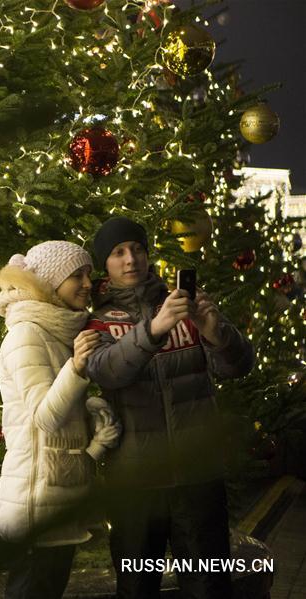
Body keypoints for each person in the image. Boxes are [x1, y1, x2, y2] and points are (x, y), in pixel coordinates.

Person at [85, 216, 255, 599]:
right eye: (118, 252)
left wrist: (216, 333)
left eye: (138, 249)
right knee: (136, 586)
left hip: (198, 478)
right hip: (135, 483)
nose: (131, 259)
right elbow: (108, 372)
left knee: (209, 585)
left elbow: (239, 366)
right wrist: (153, 330)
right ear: (105, 264)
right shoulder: (94, 319)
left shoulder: (183, 306)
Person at [0, 240, 121, 599]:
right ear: (50, 283)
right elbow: (44, 417)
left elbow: (58, 409)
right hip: (36, 503)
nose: (86, 284)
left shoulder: (56, 330)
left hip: (55, 496)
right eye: (75, 276)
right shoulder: (27, 334)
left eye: (88, 275)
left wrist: (89, 407)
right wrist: (77, 367)